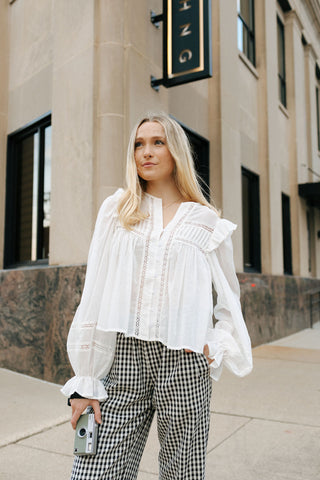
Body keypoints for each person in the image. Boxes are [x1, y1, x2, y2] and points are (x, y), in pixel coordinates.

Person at [61, 113, 253, 480]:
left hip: (183, 362)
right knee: (94, 470)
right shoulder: (118, 210)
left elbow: (230, 301)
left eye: (157, 142)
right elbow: (95, 291)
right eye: (138, 144)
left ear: (176, 150)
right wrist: (85, 379)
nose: (145, 152)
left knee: (182, 472)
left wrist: (213, 344)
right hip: (123, 358)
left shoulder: (206, 221)